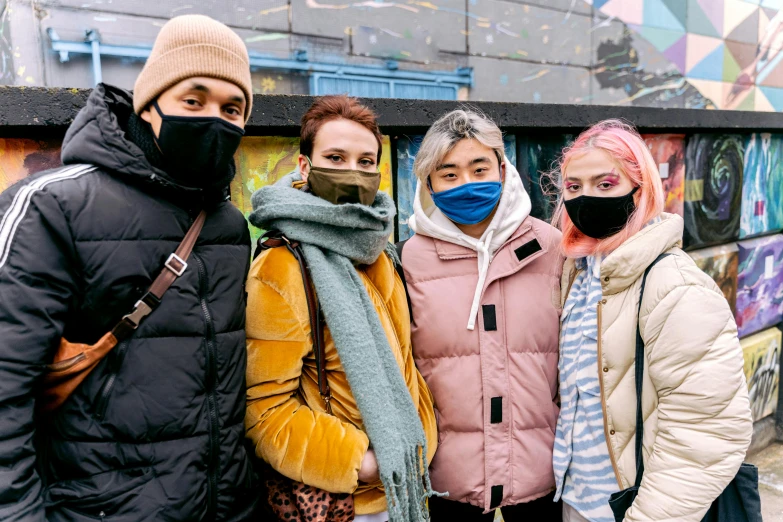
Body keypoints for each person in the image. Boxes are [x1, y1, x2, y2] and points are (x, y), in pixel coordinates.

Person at [0, 15, 258, 521]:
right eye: (193, 100)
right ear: (150, 102)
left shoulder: (228, 224)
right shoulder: (56, 205)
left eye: (233, 108)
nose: (214, 119)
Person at [244, 95, 438, 522]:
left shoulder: (378, 251)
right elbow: (265, 412)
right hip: (345, 501)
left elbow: (402, 362)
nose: (354, 172)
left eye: (367, 161)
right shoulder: (282, 264)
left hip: (402, 487)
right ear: (304, 166)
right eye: (335, 157)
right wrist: (360, 461)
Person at [551, 119, 753, 522]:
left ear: (640, 189)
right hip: (578, 500)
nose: (586, 197)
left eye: (605, 184)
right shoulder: (578, 272)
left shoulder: (675, 286)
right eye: (574, 187)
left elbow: (708, 433)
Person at [398, 109, 563, 521]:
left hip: (542, 474)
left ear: (503, 169)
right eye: (449, 174)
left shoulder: (552, 248)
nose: (466, 184)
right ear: (428, 182)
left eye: (479, 168)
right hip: (447, 480)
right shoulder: (407, 259)